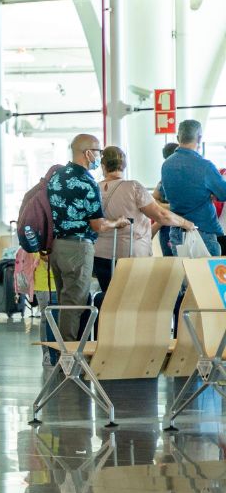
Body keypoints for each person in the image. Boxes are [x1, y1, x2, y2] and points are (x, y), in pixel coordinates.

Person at [46, 134, 130, 343]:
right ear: (88, 153)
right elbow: (98, 224)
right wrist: (117, 222)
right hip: (78, 248)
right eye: (98, 152)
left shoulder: (56, 176)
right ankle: (70, 356)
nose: (99, 157)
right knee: (75, 304)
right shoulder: (86, 182)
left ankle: (61, 352)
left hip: (56, 247)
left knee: (64, 302)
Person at [96, 145, 189, 296]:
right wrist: (186, 223)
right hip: (132, 255)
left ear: (103, 166)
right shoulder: (133, 187)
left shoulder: (94, 188)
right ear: (124, 164)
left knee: (110, 298)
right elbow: (161, 215)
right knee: (135, 299)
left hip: (101, 255)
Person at [156, 120, 226, 256]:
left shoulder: (166, 166)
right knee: (207, 276)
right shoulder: (205, 165)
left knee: (185, 275)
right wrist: (211, 193)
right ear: (199, 138)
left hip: (176, 232)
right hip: (203, 231)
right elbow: (223, 194)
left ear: (178, 138)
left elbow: (167, 194)